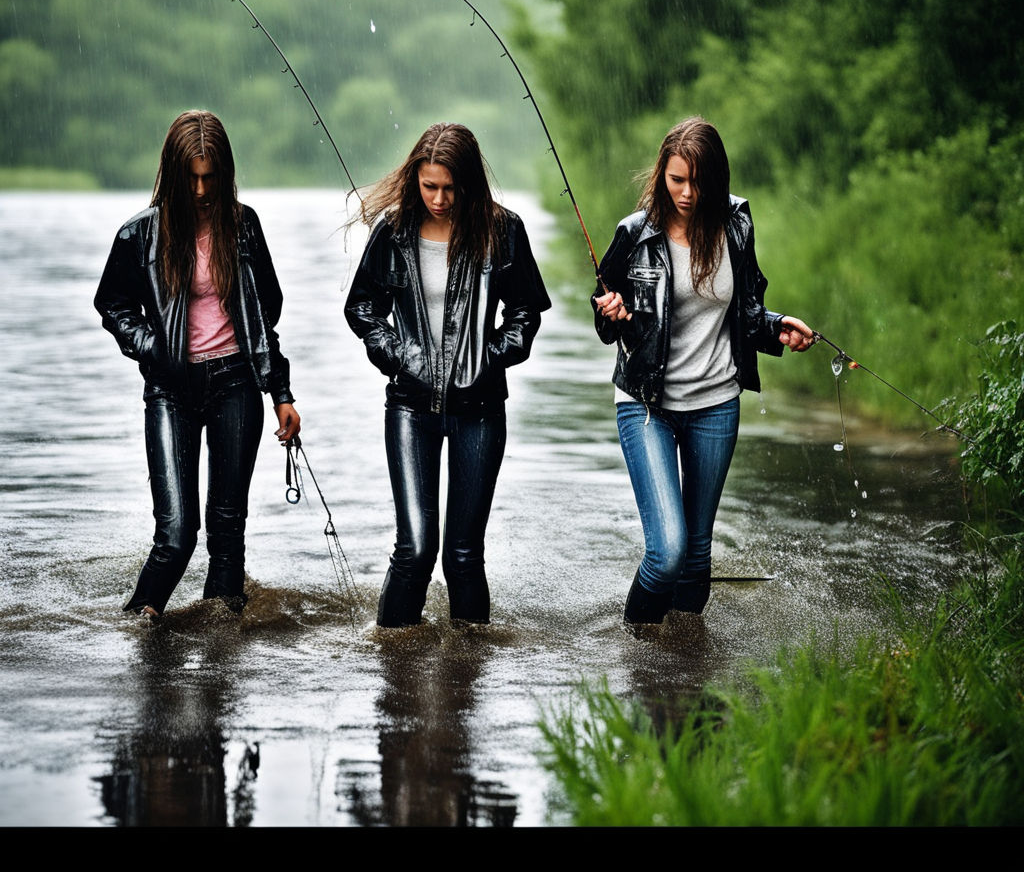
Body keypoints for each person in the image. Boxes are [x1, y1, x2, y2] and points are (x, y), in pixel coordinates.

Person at [592, 116, 814, 626]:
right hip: (647, 406)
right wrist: (613, 314)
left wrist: (779, 327)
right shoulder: (635, 234)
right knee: (667, 550)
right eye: (676, 180)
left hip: (716, 404)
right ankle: (637, 658)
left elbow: (746, 311)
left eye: (698, 181)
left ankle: (684, 671)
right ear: (662, 176)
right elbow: (606, 323)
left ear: (717, 177)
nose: (687, 193)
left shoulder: (736, 225)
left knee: (695, 557)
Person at [95, 109, 300, 617]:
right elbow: (112, 304)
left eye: (211, 177)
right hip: (170, 388)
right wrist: (153, 349)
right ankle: (138, 628)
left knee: (228, 529)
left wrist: (281, 394)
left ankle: (221, 651)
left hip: (236, 382)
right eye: (192, 178)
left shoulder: (243, 226)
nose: (203, 190)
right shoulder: (139, 235)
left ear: (225, 174)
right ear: (174, 172)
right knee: (177, 533)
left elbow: (263, 316)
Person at [345, 122, 551, 627]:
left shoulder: (503, 230)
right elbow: (362, 309)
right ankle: (393, 671)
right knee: (415, 549)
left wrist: (489, 357)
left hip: (480, 412)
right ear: (415, 178)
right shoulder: (392, 232)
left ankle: (465, 679)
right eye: (428, 185)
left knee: (462, 556)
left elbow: (526, 312)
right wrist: (399, 358)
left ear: (469, 183)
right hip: (409, 409)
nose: (439, 198)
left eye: (449, 188)